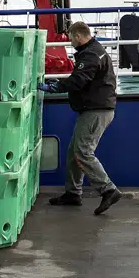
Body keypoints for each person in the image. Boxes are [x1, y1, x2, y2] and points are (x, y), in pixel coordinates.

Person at [43, 21, 123, 215]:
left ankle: (108, 189)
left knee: (83, 151)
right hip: (96, 108)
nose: (70, 42)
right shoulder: (94, 51)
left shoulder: (91, 55)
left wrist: (55, 86)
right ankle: (73, 193)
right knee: (74, 152)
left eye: (71, 38)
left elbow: (79, 80)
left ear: (78, 36)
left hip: (96, 110)